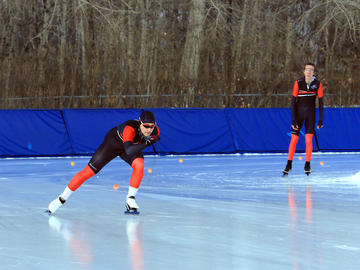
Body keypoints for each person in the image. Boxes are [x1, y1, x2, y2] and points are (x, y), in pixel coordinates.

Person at [47, 110, 160, 214]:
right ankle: (60, 199)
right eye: (146, 126)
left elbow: (133, 149)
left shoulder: (155, 131)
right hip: (113, 144)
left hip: (130, 146)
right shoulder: (129, 129)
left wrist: (147, 142)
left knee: (139, 165)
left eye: (152, 126)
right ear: (140, 123)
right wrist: (147, 143)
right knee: (88, 172)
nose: (149, 130)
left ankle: (130, 200)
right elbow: (129, 150)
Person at [283, 63, 324, 176]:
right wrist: (293, 119)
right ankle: (289, 164)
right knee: (294, 140)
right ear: (304, 71)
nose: (309, 72)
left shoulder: (318, 84)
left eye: (311, 70)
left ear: (314, 73)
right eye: (307, 69)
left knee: (308, 141)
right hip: (298, 115)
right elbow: (293, 102)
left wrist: (321, 119)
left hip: (311, 115)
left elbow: (320, 103)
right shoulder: (298, 83)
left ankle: (307, 164)